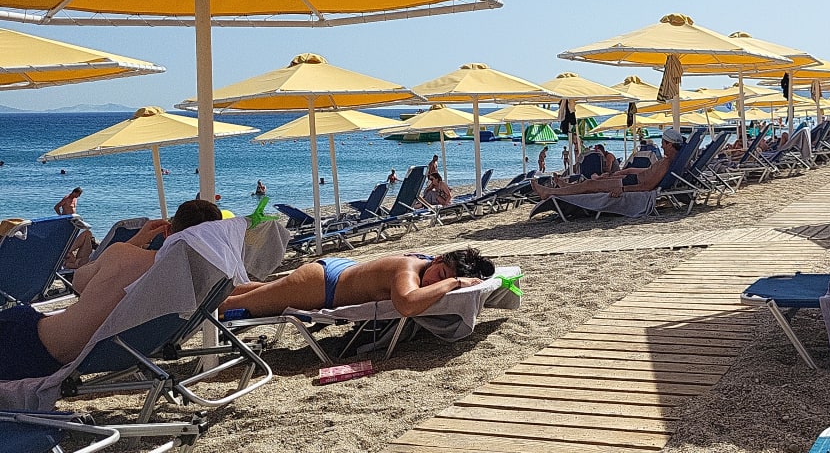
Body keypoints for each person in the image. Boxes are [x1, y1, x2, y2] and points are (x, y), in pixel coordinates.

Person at [0, 199, 222, 381]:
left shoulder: (125, 255)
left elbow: (78, 282)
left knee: (19, 315)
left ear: (166, 231)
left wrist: (134, 242)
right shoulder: (201, 283)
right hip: (116, 354)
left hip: (34, 344)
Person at [219, 246, 495, 318]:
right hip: (321, 285)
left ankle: (211, 292)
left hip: (337, 273)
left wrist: (453, 279)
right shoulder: (409, 270)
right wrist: (453, 283)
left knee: (259, 292)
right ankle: (199, 310)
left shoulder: (426, 265)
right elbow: (407, 305)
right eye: (441, 274)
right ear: (438, 260)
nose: (436, 282)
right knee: (236, 306)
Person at [532, 128, 682, 199]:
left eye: (663, 143)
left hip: (630, 184)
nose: (661, 146)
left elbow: (647, 186)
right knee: (592, 183)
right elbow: (646, 173)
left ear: (670, 144)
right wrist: (625, 171)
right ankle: (566, 187)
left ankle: (550, 192)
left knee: (590, 185)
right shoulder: (667, 161)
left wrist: (622, 189)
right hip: (630, 179)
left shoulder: (666, 164)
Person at [54, 187, 94, 269]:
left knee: (72, 238)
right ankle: (67, 254)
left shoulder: (75, 199)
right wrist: (60, 216)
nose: (78, 196)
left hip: (73, 221)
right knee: (67, 239)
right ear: (74, 192)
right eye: (78, 194)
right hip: (66, 221)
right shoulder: (66, 199)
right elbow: (56, 207)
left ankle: (70, 254)